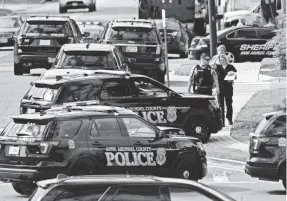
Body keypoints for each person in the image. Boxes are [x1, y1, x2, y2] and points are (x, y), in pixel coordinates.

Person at [216, 54, 237, 125]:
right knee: (220, 105)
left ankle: (229, 118)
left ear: (226, 59)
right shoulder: (218, 67)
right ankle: (222, 121)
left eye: (224, 60)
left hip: (228, 87)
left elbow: (235, 76)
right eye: (221, 60)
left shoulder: (230, 67)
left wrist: (232, 77)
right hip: (220, 87)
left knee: (229, 104)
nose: (222, 61)